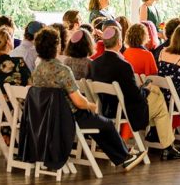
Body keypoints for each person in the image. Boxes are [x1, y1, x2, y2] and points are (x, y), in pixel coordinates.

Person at [30, 27, 141, 172]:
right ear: (57, 46)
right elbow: (78, 101)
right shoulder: (62, 70)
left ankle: (123, 156)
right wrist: (90, 105)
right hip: (69, 117)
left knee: (99, 125)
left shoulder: (37, 71)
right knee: (106, 123)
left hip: (46, 119)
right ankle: (124, 158)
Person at [91, 24, 180, 161]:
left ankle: (159, 138)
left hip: (105, 111)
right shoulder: (123, 65)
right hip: (127, 111)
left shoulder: (94, 64)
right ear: (119, 42)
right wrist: (145, 90)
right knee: (159, 101)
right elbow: (135, 97)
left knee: (155, 95)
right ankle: (166, 147)